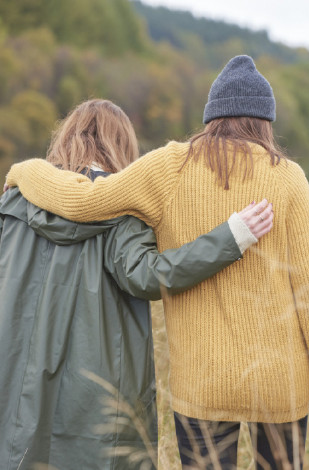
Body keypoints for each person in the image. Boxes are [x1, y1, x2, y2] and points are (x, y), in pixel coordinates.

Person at [5, 55, 309, 469]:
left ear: (211, 116)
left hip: (202, 382)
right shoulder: (288, 176)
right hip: (279, 382)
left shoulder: (170, 166)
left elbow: (85, 200)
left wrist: (24, 170)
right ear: (266, 122)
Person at [0, 99, 274, 469]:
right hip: (96, 384)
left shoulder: (14, 201)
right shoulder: (121, 206)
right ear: (122, 145)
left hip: (13, 370)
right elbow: (149, 276)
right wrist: (230, 238)